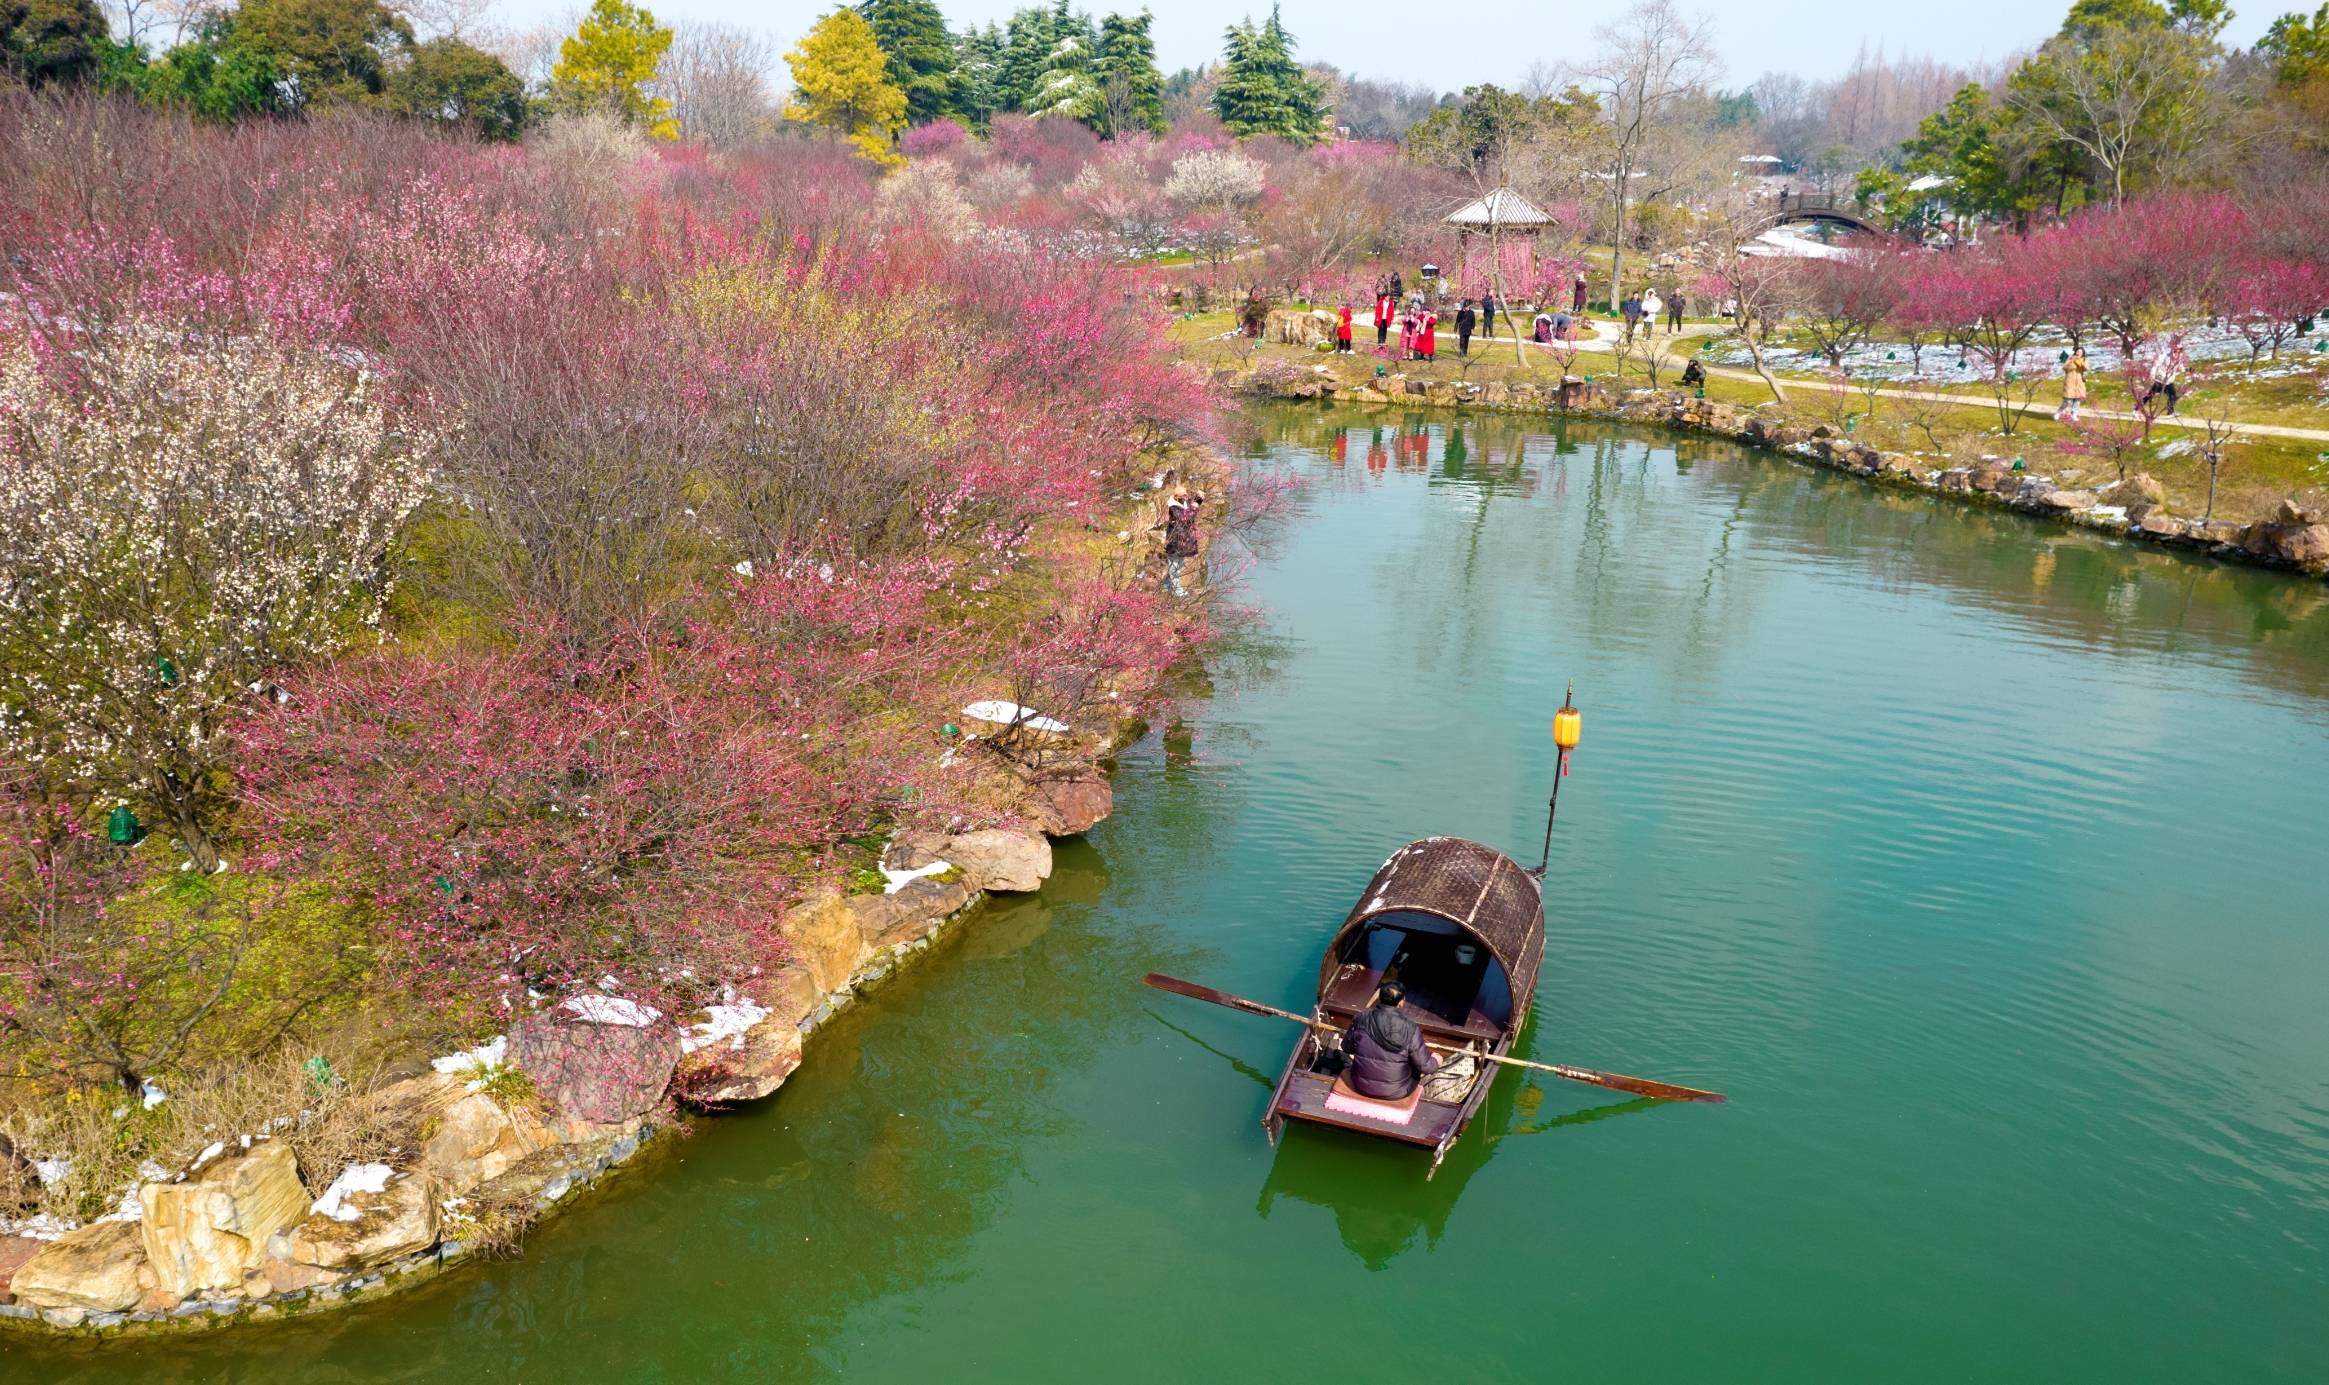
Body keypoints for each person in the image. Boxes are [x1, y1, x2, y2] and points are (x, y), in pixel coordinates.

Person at [1340, 981, 1442, 1100]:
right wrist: (1436, 1060)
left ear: (1380, 997)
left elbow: (1346, 1047)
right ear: (1401, 1002)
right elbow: (1426, 1067)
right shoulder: (1411, 1028)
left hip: (1361, 1086)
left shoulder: (1361, 1018)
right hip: (1396, 1092)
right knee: (1415, 1067)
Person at [1161, 489, 1204, 597]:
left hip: (1183, 541)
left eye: (1186, 494)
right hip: (1174, 541)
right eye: (1183, 495)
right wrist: (1195, 507)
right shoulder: (1173, 507)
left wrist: (1198, 499)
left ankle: (1166, 584)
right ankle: (1178, 592)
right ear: (1177, 496)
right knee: (1174, 567)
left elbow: (1191, 502)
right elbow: (1185, 518)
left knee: (1178, 565)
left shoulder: (1183, 502)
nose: (1186, 496)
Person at [2060, 346, 2089, 421]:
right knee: (2067, 401)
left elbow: (2086, 368)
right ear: (2075, 352)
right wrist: (2072, 364)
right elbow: (2065, 368)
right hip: (2070, 382)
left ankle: (2074, 415)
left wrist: (2080, 362)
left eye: (2081, 352)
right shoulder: (2070, 359)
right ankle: (2059, 411)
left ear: (2083, 353)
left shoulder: (2084, 360)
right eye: (2078, 351)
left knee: (2077, 400)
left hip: (2079, 382)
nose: (2079, 353)